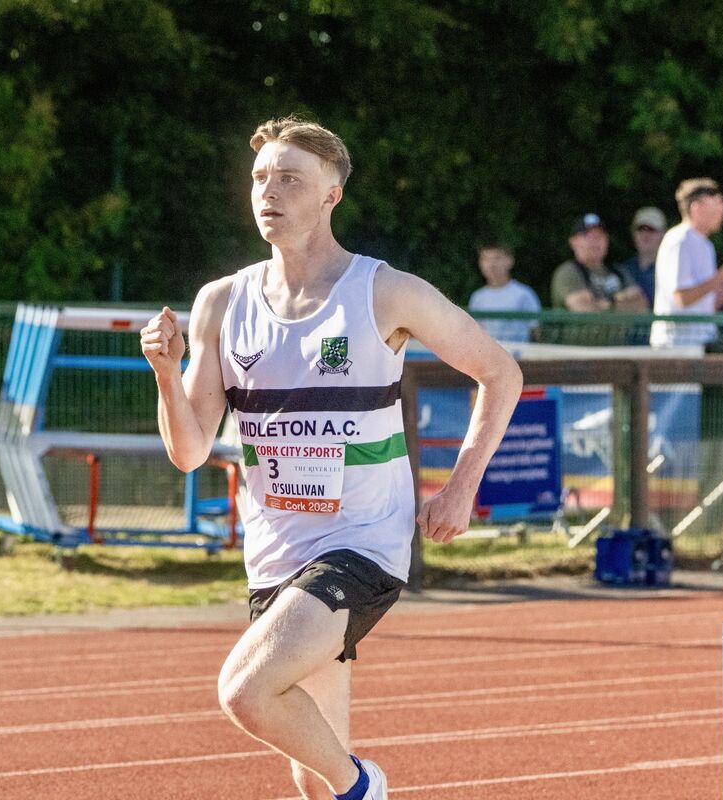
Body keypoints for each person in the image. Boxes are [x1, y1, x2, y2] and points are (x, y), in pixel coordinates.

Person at [140, 117, 522, 800]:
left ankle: (364, 785)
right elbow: (191, 451)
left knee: (246, 691)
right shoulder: (221, 303)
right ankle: (346, 783)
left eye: (290, 179)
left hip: (362, 542)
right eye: (261, 178)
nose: (270, 191)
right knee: (311, 762)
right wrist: (167, 375)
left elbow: (500, 372)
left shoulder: (384, 291)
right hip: (275, 549)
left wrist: (461, 485)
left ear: (330, 196)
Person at [650, 178, 723, 348]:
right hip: (676, 346)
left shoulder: (706, 246)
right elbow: (682, 298)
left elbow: (708, 305)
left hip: (702, 343)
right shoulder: (680, 240)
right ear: (697, 208)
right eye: (718, 203)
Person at [550, 213, 647, 312]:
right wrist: (619, 302)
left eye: (600, 235)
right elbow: (583, 308)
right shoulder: (568, 272)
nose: (595, 240)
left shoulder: (618, 272)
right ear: (573, 242)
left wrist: (604, 304)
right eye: (587, 235)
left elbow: (641, 305)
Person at [467, 242, 541, 343]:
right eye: (486, 259)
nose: (491, 264)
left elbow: (536, 331)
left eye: (497, 258)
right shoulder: (477, 297)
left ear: (510, 261)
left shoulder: (524, 294)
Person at [618, 206, 667, 306]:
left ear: (663, 234)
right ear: (633, 233)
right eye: (640, 229)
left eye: (651, 230)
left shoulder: (671, 269)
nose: (645, 235)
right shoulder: (623, 269)